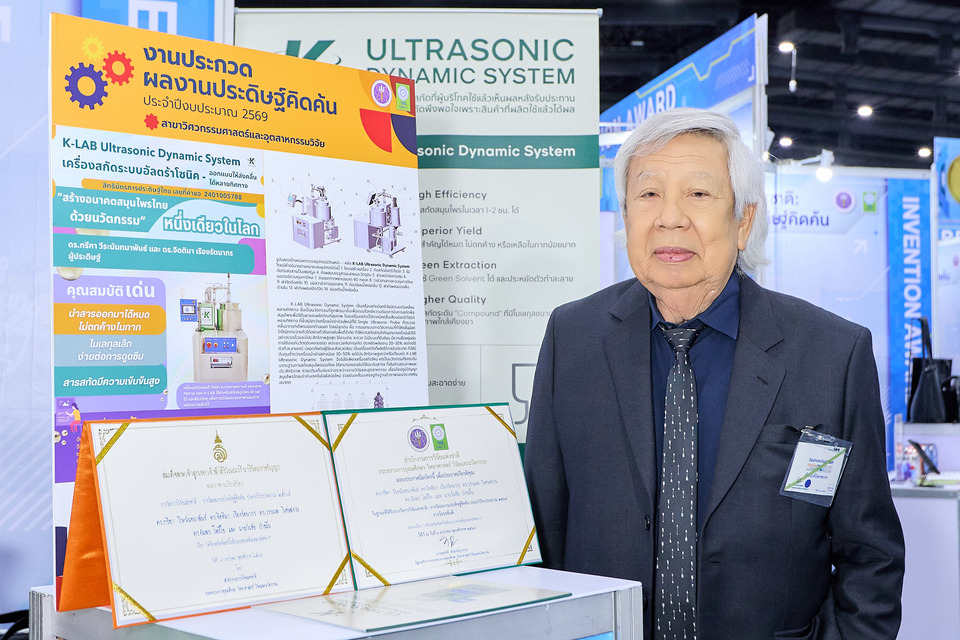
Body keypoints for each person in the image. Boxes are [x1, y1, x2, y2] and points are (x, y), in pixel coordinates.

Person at [523, 108, 904, 640]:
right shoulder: (573, 338)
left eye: (698, 194)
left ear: (743, 221)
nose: (670, 218)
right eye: (648, 194)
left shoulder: (831, 354)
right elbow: (544, 532)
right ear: (625, 215)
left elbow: (871, 556)